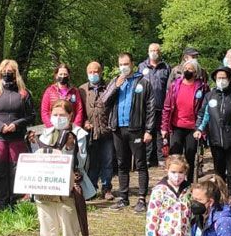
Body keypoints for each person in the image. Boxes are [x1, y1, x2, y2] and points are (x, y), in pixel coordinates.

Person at [28, 99, 92, 236]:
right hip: (45, 191)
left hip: (67, 192)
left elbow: (83, 162)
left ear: (70, 116)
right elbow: (35, 160)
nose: (58, 118)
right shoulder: (42, 134)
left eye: (62, 114)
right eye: (55, 114)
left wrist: (71, 148)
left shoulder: (79, 134)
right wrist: (30, 143)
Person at [101, 51, 158, 213]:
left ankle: (141, 199)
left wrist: (149, 130)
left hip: (137, 129)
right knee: (121, 163)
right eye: (121, 64)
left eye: (126, 64)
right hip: (118, 128)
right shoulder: (115, 81)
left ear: (132, 64)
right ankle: (123, 197)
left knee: (140, 164)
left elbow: (151, 108)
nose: (123, 67)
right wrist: (116, 86)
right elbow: (104, 102)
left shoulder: (143, 82)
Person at [0, 59, 35, 210]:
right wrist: (0, 126)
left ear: (16, 73)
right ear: (0, 73)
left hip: (17, 138)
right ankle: (1, 203)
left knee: (16, 170)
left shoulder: (24, 92)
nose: (7, 74)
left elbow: (32, 115)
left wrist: (16, 124)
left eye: (11, 72)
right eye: (4, 71)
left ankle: (15, 201)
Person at [195, 66, 231, 201]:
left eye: (223, 78)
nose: (221, 80)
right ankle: (219, 196)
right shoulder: (209, 96)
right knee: (218, 171)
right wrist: (199, 129)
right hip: (215, 139)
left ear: (229, 79)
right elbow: (204, 115)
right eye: (218, 78)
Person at [162, 59, 207, 181]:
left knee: (190, 156)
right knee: (174, 156)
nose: (187, 71)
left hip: (193, 128)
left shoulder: (202, 88)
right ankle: (172, 181)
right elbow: (167, 107)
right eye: (185, 69)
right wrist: (164, 127)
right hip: (176, 126)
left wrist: (202, 129)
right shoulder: (175, 85)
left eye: (191, 69)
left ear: (196, 72)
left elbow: (205, 109)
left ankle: (189, 183)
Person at [81, 61, 114, 198]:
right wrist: (84, 122)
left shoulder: (109, 88)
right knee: (92, 162)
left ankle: (106, 188)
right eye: (90, 72)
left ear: (101, 73)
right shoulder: (82, 90)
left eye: (96, 72)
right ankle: (92, 188)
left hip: (107, 130)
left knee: (107, 160)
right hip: (90, 132)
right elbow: (79, 110)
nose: (93, 75)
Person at [139, 43, 171, 167]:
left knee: (160, 133)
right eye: (151, 50)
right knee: (147, 131)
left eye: (156, 50)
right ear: (148, 51)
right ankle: (146, 158)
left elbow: (169, 88)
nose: (153, 52)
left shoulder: (166, 67)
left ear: (160, 52)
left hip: (161, 106)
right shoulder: (141, 66)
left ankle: (161, 158)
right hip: (145, 107)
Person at [39, 63, 85, 128]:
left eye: (65, 74)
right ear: (56, 75)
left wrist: (75, 127)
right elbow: (44, 111)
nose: (63, 76)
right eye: (60, 74)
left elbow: (79, 110)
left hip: (70, 127)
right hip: (53, 127)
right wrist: (51, 127)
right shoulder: (49, 91)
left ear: (69, 76)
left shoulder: (74, 91)